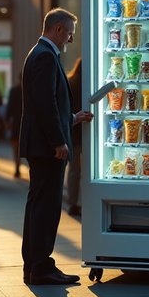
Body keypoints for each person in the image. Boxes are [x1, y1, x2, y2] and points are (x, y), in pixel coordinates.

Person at [20, 8, 93, 285]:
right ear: (59, 30)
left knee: (40, 205)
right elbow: (45, 104)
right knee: (46, 207)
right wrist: (58, 141)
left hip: (42, 144)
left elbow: (49, 105)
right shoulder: (46, 57)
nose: (71, 40)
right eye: (71, 33)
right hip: (46, 147)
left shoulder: (40, 54)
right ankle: (41, 267)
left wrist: (73, 118)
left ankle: (35, 265)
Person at [66, 58, 83, 217]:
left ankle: (72, 202)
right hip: (87, 131)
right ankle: (85, 201)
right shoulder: (89, 85)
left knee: (74, 170)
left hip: (72, 132)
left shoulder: (70, 82)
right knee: (88, 170)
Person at [5, 74, 23, 178]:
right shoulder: (15, 91)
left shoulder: (15, 90)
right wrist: (7, 120)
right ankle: (17, 166)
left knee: (18, 146)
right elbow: (10, 106)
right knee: (16, 146)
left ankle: (18, 166)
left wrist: (7, 120)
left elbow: (9, 106)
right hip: (17, 122)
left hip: (20, 122)